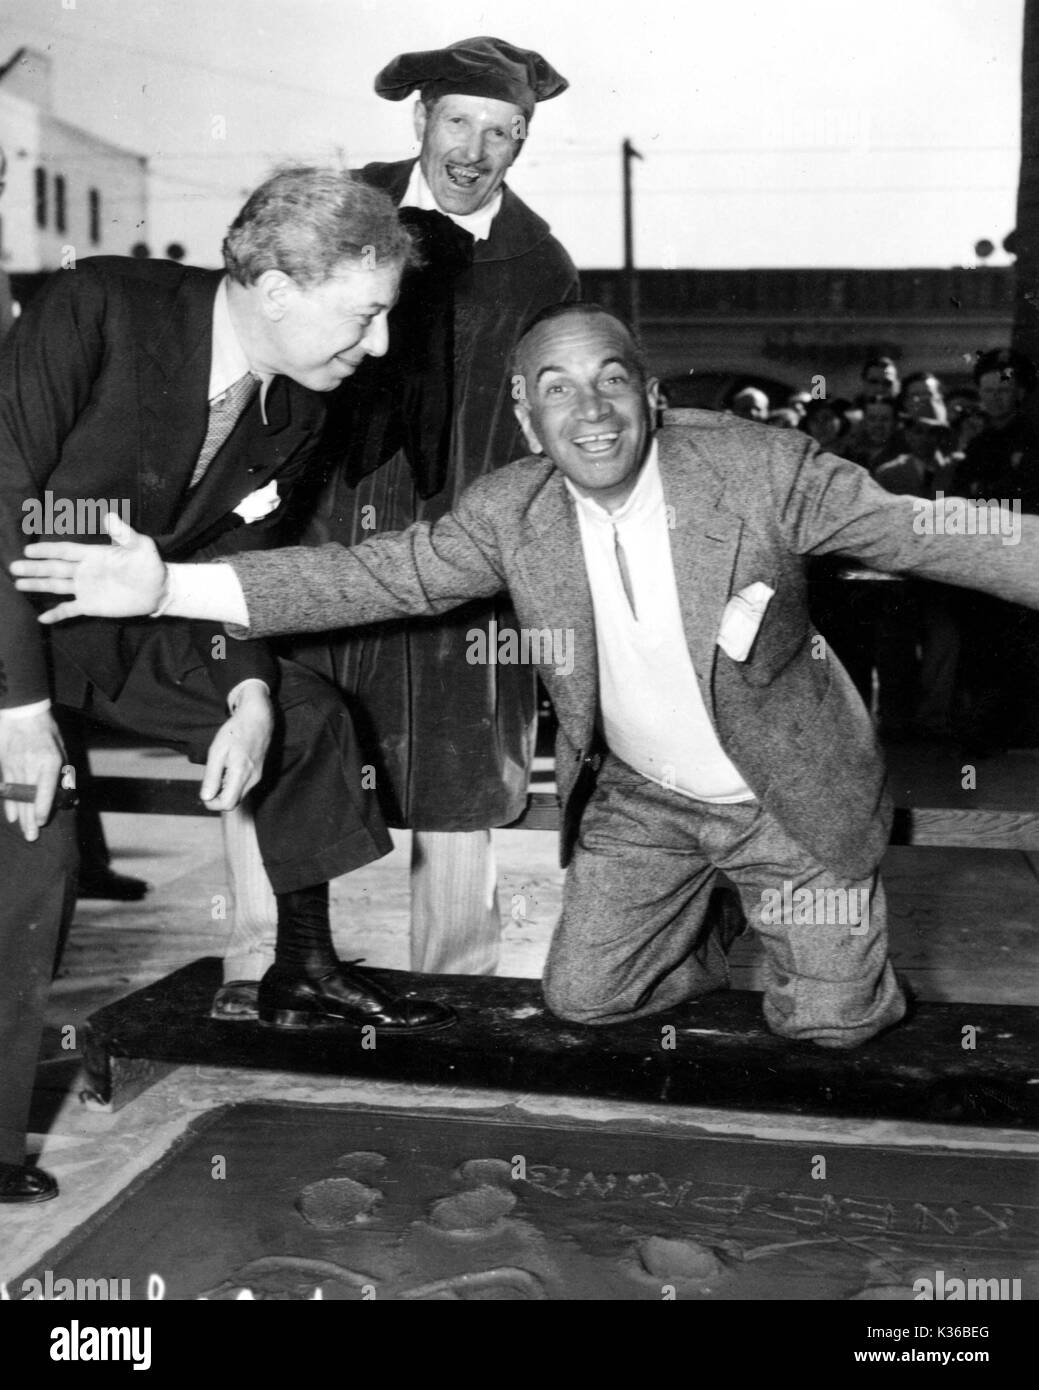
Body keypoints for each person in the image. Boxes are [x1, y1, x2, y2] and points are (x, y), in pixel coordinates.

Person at [21, 304, 1039, 1061]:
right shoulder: (510, 510)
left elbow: (935, 533)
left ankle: (813, 936)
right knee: (584, 999)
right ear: (522, 412)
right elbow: (370, 573)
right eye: (554, 388)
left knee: (836, 1026)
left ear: (649, 392)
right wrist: (168, 586)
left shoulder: (763, 469)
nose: (588, 411)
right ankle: (699, 920)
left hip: (785, 797)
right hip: (644, 805)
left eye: (609, 382)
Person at [0, 166, 457, 1206]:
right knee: (31, 847)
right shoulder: (99, 307)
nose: (379, 345)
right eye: (365, 317)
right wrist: (18, 713)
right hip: (5, 614)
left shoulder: (297, 404)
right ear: (278, 289)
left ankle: (301, 969)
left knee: (303, 715)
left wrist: (247, 692)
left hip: (125, 616)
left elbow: (244, 555)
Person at [216, 37, 579, 1015]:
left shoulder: (537, 264)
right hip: (315, 528)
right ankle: (261, 965)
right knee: (279, 730)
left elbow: (548, 418)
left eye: (504, 131)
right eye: (459, 120)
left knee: (459, 761)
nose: (477, 148)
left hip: (456, 547)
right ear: (418, 118)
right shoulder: (334, 210)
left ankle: (450, 978)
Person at [954, 348, 1039, 752]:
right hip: (984, 568)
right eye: (986, 390)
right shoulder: (978, 444)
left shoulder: (1034, 438)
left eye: (1003, 390)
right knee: (986, 655)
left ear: (1020, 391)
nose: (994, 398)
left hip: (1026, 565)